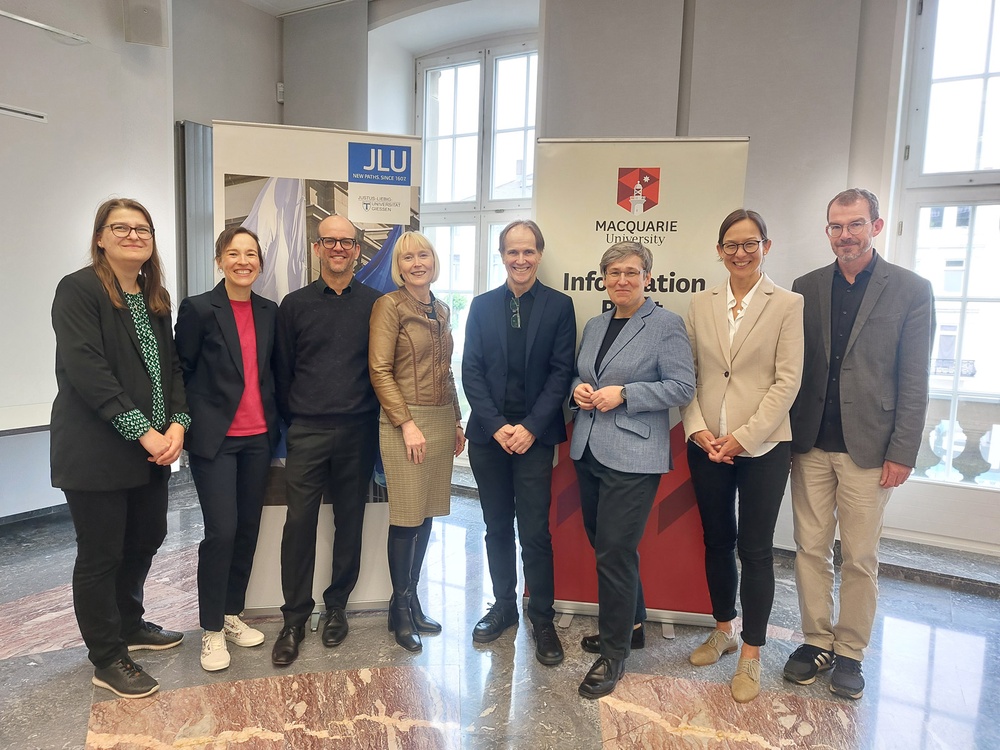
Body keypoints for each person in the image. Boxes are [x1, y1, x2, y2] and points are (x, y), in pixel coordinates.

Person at [784, 188, 934, 700]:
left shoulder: (911, 290)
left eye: (854, 225)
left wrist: (903, 451)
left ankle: (850, 651)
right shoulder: (806, 287)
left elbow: (915, 379)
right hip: (809, 444)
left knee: (860, 556)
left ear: (876, 225)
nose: (844, 235)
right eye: (835, 226)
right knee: (809, 548)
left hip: (871, 449)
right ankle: (815, 640)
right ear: (826, 230)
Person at [50, 198, 190, 698]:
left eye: (142, 228)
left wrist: (177, 422)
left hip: (151, 451)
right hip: (96, 451)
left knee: (145, 538)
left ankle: (130, 622)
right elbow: (89, 372)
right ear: (100, 238)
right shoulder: (79, 289)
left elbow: (170, 369)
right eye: (121, 228)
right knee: (101, 555)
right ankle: (107, 656)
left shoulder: (156, 297)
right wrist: (144, 430)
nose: (134, 235)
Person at [680, 209, 804, 703]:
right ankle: (723, 629)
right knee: (716, 540)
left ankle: (752, 653)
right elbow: (688, 373)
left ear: (766, 247)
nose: (740, 253)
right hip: (708, 444)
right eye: (731, 245)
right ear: (719, 250)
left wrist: (745, 437)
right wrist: (699, 430)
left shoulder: (787, 304)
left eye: (750, 244)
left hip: (765, 447)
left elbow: (787, 380)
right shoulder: (701, 303)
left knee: (754, 550)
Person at [569, 241, 695, 699]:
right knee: (607, 546)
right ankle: (634, 624)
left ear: (648, 277)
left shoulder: (665, 325)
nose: (622, 279)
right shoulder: (595, 323)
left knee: (615, 553)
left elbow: (682, 386)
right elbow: (580, 374)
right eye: (613, 272)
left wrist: (625, 394)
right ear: (603, 277)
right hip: (588, 449)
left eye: (631, 272)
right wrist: (579, 390)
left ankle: (614, 652)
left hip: (635, 456)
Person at [462, 220, 576, 666]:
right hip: (489, 438)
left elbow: (560, 373)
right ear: (502, 255)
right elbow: (470, 369)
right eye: (513, 252)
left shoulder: (559, 306)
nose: (521, 259)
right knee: (495, 528)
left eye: (528, 251)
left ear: (540, 255)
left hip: (535, 436)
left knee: (534, 530)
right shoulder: (482, 305)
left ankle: (541, 615)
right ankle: (504, 607)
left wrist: (529, 426)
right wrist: (495, 425)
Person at [271, 214, 382, 666]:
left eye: (347, 242)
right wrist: (297, 417)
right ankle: (295, 617)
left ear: (358, 250)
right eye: (330, 241)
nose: (339, 248)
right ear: (317, 248)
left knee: (350, 521)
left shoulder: (378, 304)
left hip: (358, 430)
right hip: (308, 430)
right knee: (298, 523)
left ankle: (337, 606)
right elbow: (281, 371)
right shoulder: (293, 305)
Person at [174, 227, 280, 672]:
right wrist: (184, 426)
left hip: (259, 439)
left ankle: (232, 614)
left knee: (249, 529)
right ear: (220, 260)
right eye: (234, 253)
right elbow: (180, 370)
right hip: (215, 442)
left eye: (251, 254)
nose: (243, 261)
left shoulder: (269, 311)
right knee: (222, 531)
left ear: (259, 261)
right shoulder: (199, 308)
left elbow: (275, 372)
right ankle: (211, 630)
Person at [369, 231, 465, 653]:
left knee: (426, 515)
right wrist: (406, 423)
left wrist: (458, 420)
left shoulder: (441, 309)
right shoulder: (388, 306)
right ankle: (401, 610)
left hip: (441, 418)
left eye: (423, 254)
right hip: (403, 419)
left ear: (433, 260)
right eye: (407, 257)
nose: (416, 262)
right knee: (407, 516)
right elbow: (379, 370)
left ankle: (408, 599)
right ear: (399, 266)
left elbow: (446, 371)